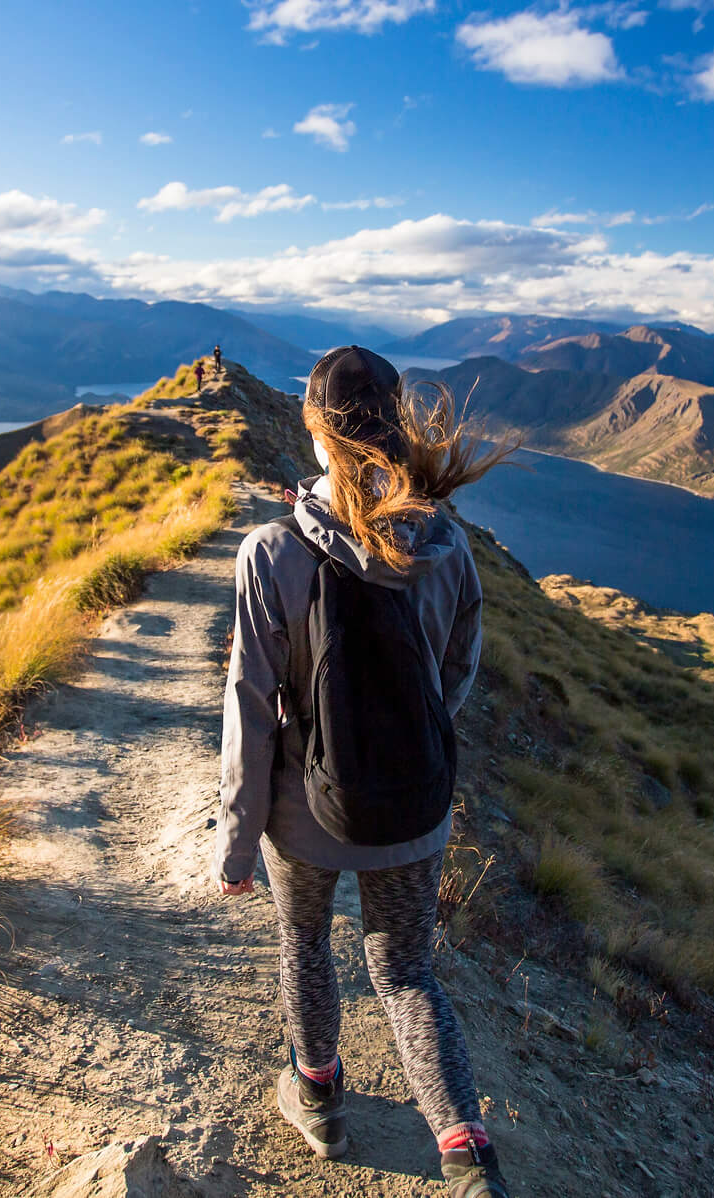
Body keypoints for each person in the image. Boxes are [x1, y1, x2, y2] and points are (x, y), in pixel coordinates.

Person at [217, 346, 518, 1197]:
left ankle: (316, 1095)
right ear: (398, 429)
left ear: (315, 435)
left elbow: (248, 704)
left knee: (302, 938)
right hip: (413, 802)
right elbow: (452, 678)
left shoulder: (269, 550)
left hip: (300, 807)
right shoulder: (447, 547)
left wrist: (237, 842)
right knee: (406, 972)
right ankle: (464, 1152)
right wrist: (397, 749)